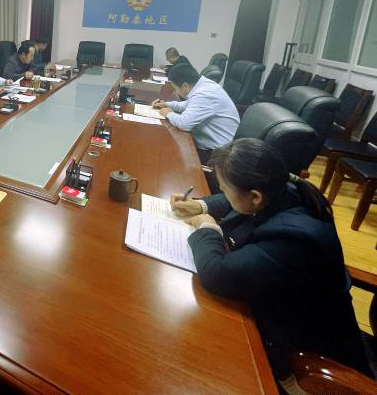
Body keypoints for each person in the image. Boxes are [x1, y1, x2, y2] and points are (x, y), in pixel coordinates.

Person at [171, 138, 371, 389]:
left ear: (255, 196)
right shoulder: (284, 189)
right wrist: (200, 205)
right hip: (281, 305)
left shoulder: (292, 239)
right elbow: (236, 201)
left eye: (224, 187)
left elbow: (216, 274)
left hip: (306, 350)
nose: (223, 191)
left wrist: (208, 228)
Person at [152, 64, 239, 165]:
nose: (176, 92)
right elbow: (188, 104)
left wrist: (169, 113)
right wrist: (167, 104)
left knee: (166, 156)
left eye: (175, 89)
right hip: (209, 142)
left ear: (185, 86)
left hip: (216, 154)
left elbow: (184, 124)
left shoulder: (204, 95)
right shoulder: (204, 84)